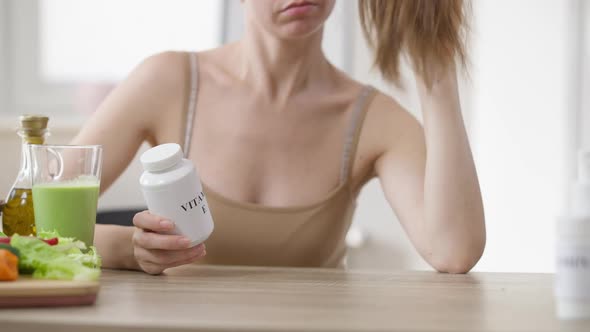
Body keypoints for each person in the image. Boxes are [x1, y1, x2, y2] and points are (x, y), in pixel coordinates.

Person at [72, 0, 485, 275]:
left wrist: (436, 69)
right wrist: (128, 248)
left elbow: (453, 252)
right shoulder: (166, 82)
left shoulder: (376, 120)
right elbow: (28, 219)